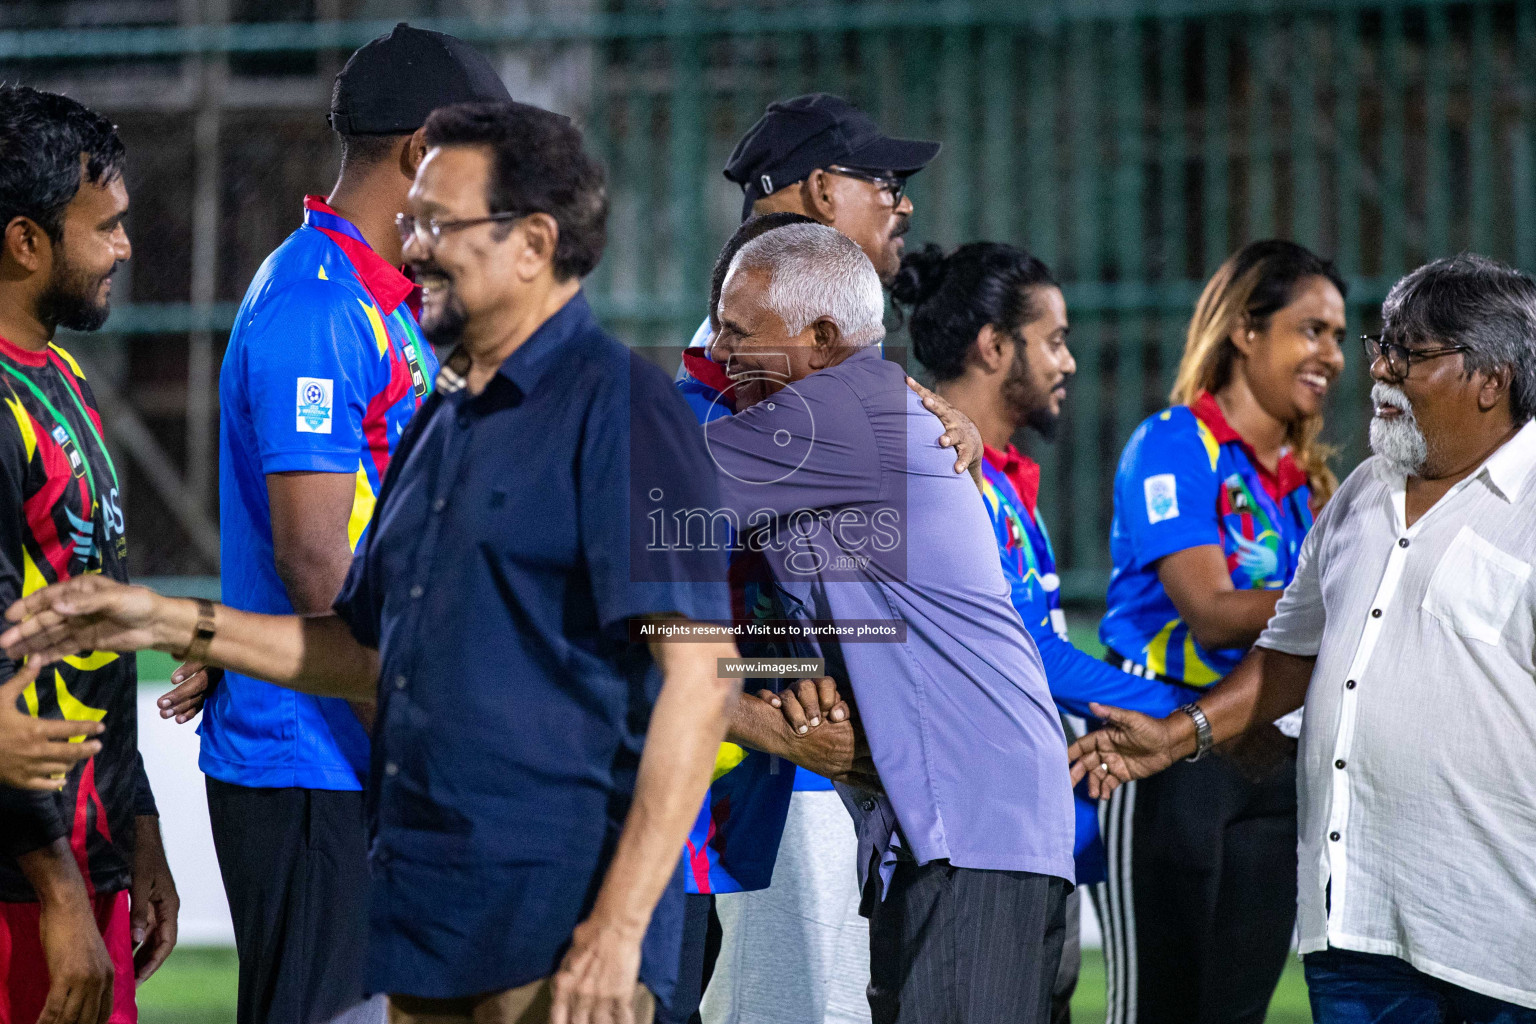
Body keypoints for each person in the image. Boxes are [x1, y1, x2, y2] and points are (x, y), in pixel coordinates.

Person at [1, 98, 738, 1024]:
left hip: (562, 929)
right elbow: (371, 650)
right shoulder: (443, 419)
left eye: (439, 223)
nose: (412, 243)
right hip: (429, 918)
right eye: (413, 217)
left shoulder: (625, 408)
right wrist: (167, 620)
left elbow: (700, 679)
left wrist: (622, 926)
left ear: (534, 243)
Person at [1068, 253, 1536, 1023]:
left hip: (1494, 939)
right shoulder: (1358, 493)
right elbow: (1287, 650)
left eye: (1408, 354)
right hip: (1355, 927)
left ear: (1491, 379)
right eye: (1377, 347)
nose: (1377, 370)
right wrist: (1180, 734)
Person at [151, 24, 509, 1024]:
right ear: (423, 149)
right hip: (316, 755)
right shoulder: (315, 306)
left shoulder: (385, 302)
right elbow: (316, 559)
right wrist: (418, 746)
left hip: (355, 742)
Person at [702, 222, 1076, 1024]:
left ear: (824, 337)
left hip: (973, 828)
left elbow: (632, 485)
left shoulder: (843, 408)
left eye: (737, 332)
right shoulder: (871, 407)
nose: (718, 354)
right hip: (973, 825)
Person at [677, 215, 980, 1024]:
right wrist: (767, 714)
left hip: (787, 787)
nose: (901, 209)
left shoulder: (841, 426)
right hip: (685, 792)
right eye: (877, 187)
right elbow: (629, 628)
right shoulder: (677, 432)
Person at [890, 241, 1197, 1024]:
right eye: (1053, 340)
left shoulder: (1000, 478)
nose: (1068, 362)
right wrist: (1180, 709)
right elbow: (1026, 652)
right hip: (971, 837)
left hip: (1024, 829)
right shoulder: (941, 471)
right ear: (995, 346)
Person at [1093, 239, 1347, 1024]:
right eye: (1312, 330)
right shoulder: (1173, 444)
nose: (1332, 356)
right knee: (1157, 1012)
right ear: (1246, 330)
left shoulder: (1312, 480)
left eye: (1339, 336)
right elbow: (1209, 608)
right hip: (1164, 754)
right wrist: (1353, 592)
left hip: (1272, 763)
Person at [0, 85, 177, 1024]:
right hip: (22, 890)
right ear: (27, 242)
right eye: (103, 227)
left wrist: (138, 831)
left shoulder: (61, 375)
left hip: (85, 859)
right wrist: (58, 892)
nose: (124, 248)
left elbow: (94, 621)